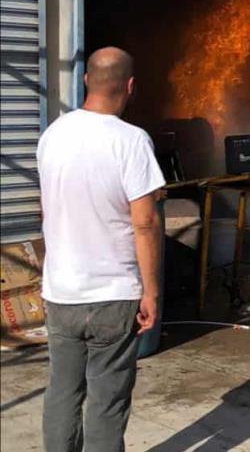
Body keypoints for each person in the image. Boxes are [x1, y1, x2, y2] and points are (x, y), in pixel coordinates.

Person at [38, 46, 165, 452]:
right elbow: (145, 222)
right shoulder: (132, 141)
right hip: (113, 295)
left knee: (62, 392)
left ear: (85, 80)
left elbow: (48, 209)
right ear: (130, 87)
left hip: (61, 293)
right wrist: (152, 291)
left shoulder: (52, 135)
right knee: (107, 403)